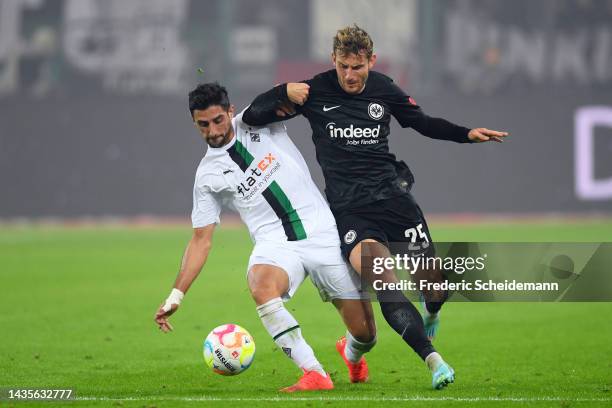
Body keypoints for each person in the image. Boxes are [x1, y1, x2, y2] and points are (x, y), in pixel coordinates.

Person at [242, 24, 509, 390]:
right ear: (333, 60)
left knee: (434, 288)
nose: (350, 75)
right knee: (385, 282)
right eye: (343, 66)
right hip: (352, 215)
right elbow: (255, 116)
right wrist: (281, 92)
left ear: (372, 61)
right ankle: (434, 362)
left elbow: (422, 123)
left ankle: (428, 310)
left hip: (396, 203)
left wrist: (465, 133)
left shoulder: (384, 88)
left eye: (357, 67)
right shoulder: (314, 91)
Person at [154, 82, 377, 392]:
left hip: (322, 233)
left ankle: (351, 354)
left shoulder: (256, 121)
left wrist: (289, 88)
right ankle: (314, 372)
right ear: (195, 123)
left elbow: (282, 98)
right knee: (260, 283)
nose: (213, 130)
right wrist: (175, 295)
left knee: (366, 334)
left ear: (230, 111)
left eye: (218, 120)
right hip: (275, 244)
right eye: (202, 124)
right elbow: (200, 240)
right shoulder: (207, 177)